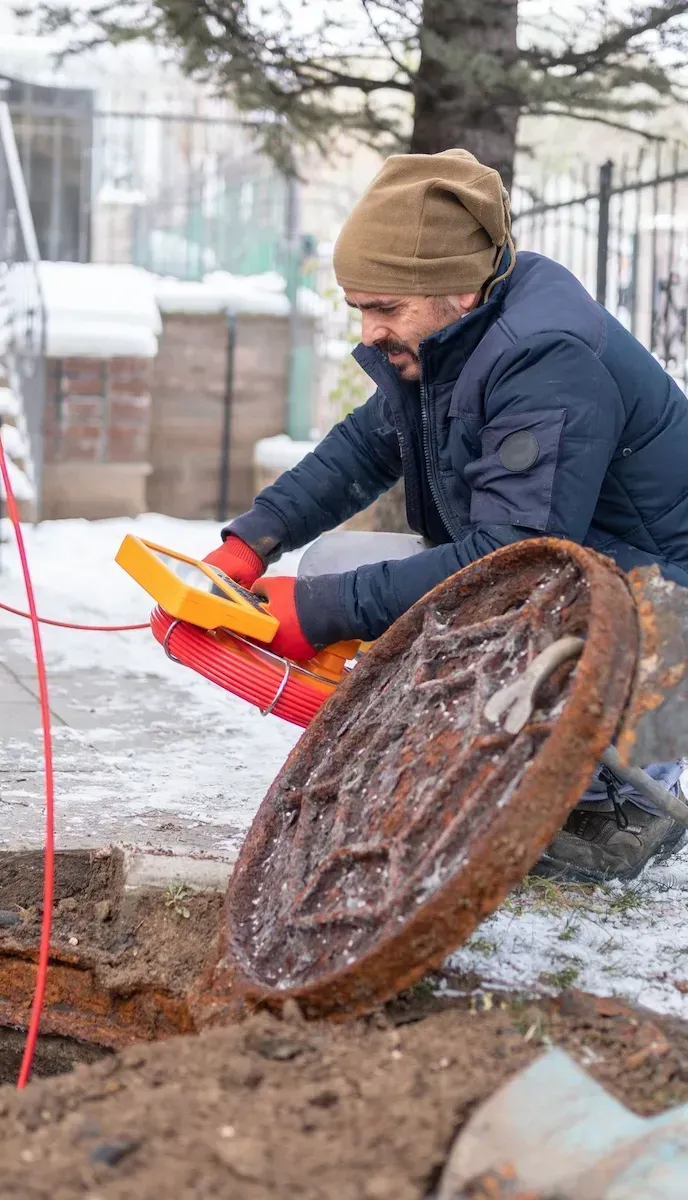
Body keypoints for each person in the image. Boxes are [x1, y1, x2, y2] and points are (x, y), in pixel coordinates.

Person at [205, 148, 688, 885]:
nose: (368, 331)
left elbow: (517, 556)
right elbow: (359, 453)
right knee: (332, 566)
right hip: (571, 581)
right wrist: (252, 540)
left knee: (542, 824)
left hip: (657, 624)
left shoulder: (544, 356)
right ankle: (482, 755)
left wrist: (323, 611)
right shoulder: (448, 341)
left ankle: (627, 790)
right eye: (359, 308)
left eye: (384, 308)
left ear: (457, 289)